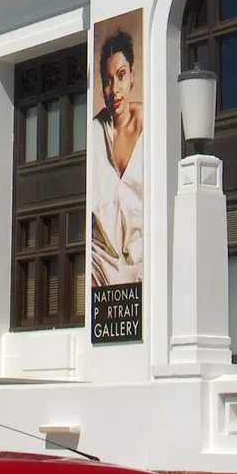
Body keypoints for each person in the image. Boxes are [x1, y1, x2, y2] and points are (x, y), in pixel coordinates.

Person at [89, 29, 144, 287]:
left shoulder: (149, 125)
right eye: (108, 80)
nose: (115, 89)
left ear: (132, 75)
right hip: (103, 263)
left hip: (146, 260)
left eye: (121, 76)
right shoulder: (96, 132)